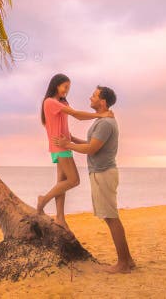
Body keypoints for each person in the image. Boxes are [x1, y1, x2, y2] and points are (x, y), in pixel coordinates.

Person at [54, 85, 136, 273]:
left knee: (111, 217)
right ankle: (128, 261)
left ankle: (123, 264)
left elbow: (91, 149)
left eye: (94, 96)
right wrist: (73, 140)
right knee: (110, 217)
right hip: (101, 172)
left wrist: (68, 145)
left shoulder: (105, 123)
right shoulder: (101, 121)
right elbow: (92, 145)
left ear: (103, 102)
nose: (90, 98)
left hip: (104, 173)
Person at [36, 74, 113, 230]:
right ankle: (43, 199)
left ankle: (60, 218)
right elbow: (77, 115)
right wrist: (100, 115)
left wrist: (76, 140)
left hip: (62, 145)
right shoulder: (50, 102)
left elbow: (67, 129)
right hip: (61, 147)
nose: (66, 90)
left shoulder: (61, 102)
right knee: (74, 180)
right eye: (65, 86)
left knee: (62, 184)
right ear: (56, 85)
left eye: (68, 88)